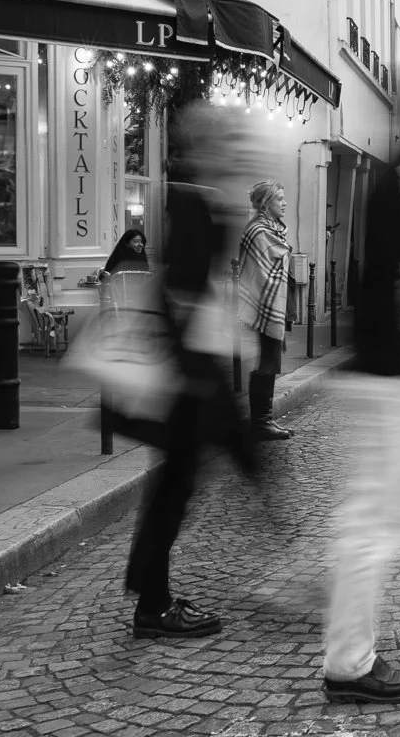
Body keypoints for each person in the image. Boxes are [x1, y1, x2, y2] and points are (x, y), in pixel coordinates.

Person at [123, 102, 264, 639]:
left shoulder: (200, 200)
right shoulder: (191, 204)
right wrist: (200, 377)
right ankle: (153, 606)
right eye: (227, 140)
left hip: (191, 368)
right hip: (188, 374)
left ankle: (152, 599)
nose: (235, 149)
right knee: (177, 487)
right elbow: (182, 296)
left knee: (179, 485)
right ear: (202, 147)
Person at [323, 89, 400, 704]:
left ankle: (350, 655)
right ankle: (350, 664)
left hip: (377, 367)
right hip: (380, 371)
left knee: (372, 520)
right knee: (373, 528)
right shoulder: (390, 182)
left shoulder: (385, 178)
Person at [238, 181, 296, 441]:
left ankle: (264, 419)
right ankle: (260, 422)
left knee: (269, 359)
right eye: (279, 199)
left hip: (273, 301)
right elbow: (260, 274)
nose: (284, 203)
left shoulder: (272, 229)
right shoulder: (259, 231)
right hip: (264, 302)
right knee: (267, 360)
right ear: (265, 203)